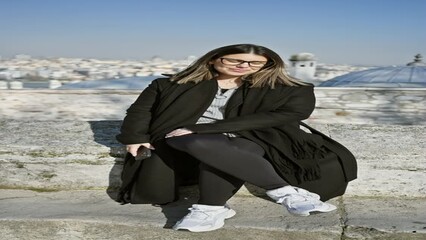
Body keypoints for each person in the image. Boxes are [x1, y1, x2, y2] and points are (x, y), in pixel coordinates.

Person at [116, 43, 356, 232]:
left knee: (224, 152)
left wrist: (209, 128)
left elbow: (293, 113)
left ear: (267, 65)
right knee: (196, 140)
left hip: (248, 136)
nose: (244, 65)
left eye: (254, 62)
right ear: (213, 59)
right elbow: (139, 111)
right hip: (182, 135)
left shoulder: (284, 88)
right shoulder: (169, 84)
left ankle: (210, 209)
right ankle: (284, 191)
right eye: (235, 60)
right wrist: (134, 136)